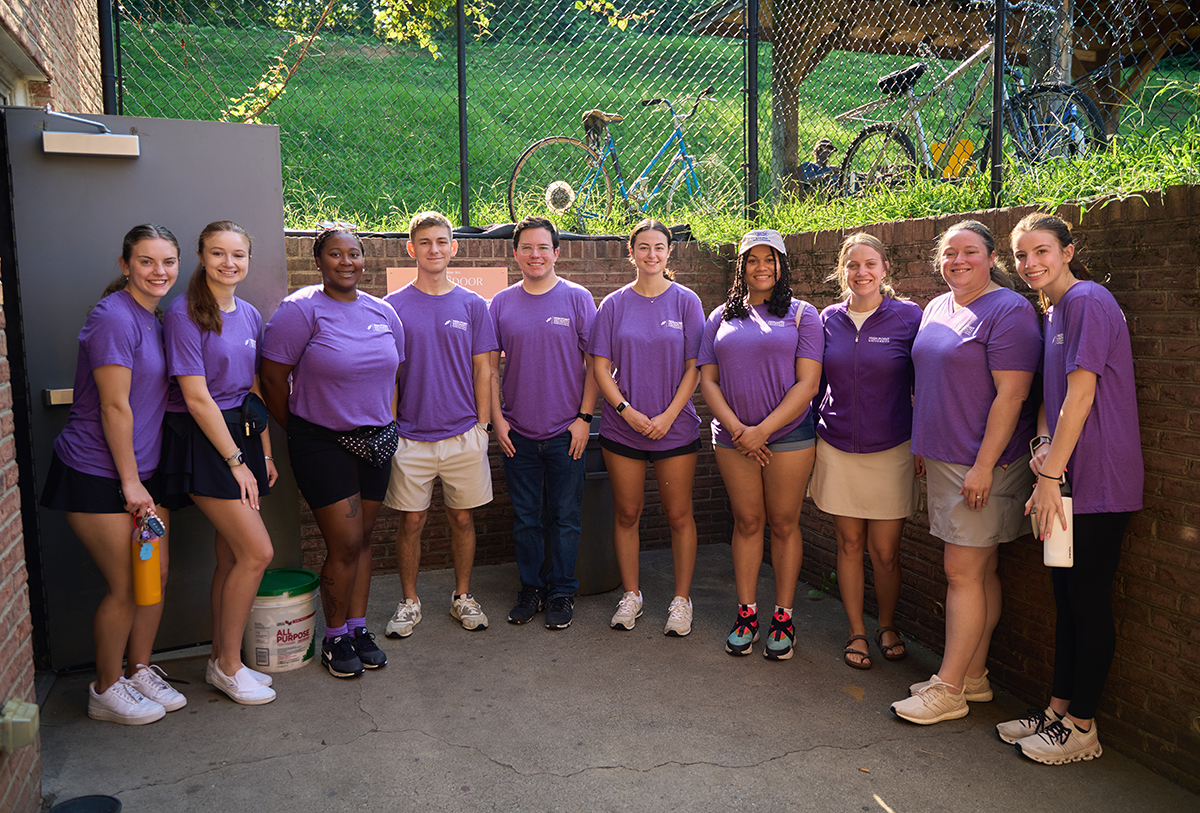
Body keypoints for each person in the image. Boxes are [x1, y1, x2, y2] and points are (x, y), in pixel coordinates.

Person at [996, 213, 1143, 764]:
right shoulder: (1052, 311)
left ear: (1068, 251)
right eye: (1022, 256)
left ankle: (1083, 727)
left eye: (1042, 252)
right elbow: (1048, 398)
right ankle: (1058, 711)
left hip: (1100, 482)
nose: (1031, 263)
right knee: (1064, 599)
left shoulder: (1087, 301)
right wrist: (1041, 456)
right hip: (1060, 480)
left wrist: (1050, 477)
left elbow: (1081, 396)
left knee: (1087, 599)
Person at [890, 220, 1041, 725]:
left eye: (969, 252)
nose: (957, 261)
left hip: (983, 464)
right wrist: (922, 443)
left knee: (961, 573)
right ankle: (973, 677)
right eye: (949, 253)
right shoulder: (938, 306)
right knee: (980, 570)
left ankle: (948, 688)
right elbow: (928, 381)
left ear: (991, 256)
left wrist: (982, 467)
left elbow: (1013, 394)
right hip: (944, 458)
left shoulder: (1010, 311)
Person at [40, 224, 186, 724]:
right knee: (126, 584)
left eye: (167, 262)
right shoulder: (113, 318)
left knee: (156, 576)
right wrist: (129, 482)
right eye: (146, 261)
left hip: (145, 471)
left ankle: (139, 670)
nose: (158, 271)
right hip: (97, 471)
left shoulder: (155, 317)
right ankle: (105, 689)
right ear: (125, 265)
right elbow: (114, 407)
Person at [261, 224, 404, 678]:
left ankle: (358, 628)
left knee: (363, 540)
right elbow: (270, 380)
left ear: (365, 259)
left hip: (377, 439)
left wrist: (389, 421)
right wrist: (301, 429)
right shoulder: (300, 311)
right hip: (321, 442)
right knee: (343, 543)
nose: (347, 262)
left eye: (355, 254)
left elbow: (393, 375)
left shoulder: (384, 312)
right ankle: (334, 636)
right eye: (336, 254)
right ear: (318, 260)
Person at [161, 221, 277, 705]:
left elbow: (252, 391)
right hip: (205, 441)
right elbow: (196, 397)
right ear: (201, 257)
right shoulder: (184, 313)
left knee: (231, 555)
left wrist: (264, 453)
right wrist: (235, 462)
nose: (229, 263)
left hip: (243, 437)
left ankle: (220, 659)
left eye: (238, 254)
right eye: (217, 253)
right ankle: (230, 667)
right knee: (257, 553)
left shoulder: (249, 313)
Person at [698, 229, 823, 660]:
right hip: (734, 440)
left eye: (770, 259)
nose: (761, 267)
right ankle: (747, 613)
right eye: (752, 259)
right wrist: (739, 430)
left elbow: (808, 384)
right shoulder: (719, 317)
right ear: (742, 266)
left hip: (787, 439)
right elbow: (707, 381)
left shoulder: (805, 315)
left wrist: (762, 431)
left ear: (782, 265)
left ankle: (784, 617)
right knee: (748, 523)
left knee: (784, 524)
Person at [383, 211, 498, 637]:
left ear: (454, 248)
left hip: (463, 433)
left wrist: (483, 428)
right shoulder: (392, 307)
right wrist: (390, 429)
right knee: (411, 522)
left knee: (462, 519)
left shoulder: (473, 305)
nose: (434, 249)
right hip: (409, 437)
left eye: (442, 242)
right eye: (425, 242)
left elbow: (484, 371)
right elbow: (388, 374)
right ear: (412, 249)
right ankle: (409, 601)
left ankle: (462, 597)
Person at [811, 233, 922, 670]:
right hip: (836, 445)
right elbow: (814, 382)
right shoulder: (827, 319)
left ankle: (887, 624)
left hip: (892, 447)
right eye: (853, 265)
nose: (862, 272)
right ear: (842, 271)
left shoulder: (908, 317)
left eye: (870, 264)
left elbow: (925, 383)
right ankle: (857, 630)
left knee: (886, 550)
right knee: (849, 542)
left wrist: (924, 441)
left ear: (885, 269)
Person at [589, 219, 704, 636]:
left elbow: (695, 368)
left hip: (674, 430)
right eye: (643, 247)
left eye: (659, 247)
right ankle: (632, 595)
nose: (651, 254)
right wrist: (626, 411)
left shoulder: (686, 302)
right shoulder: (614, 304)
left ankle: (681, 600)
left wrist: (669, 415)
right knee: (627, 513)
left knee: (679, 515)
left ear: (669, 253)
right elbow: (600, 366)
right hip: (624, 431)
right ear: (631, 252)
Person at [489, 217, 599, 630]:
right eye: (527, 248)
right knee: (526, 520)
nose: (535, 255)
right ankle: (531, 588)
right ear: (515, 253)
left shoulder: (577, 298)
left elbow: (596, 365)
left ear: (557, 252)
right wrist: (497, 422)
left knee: (566, 518)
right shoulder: (499, 304)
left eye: (543, 248)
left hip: (565, 433)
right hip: (517, 433)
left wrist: (584, 419)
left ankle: (561, 593)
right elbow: (486, 370)